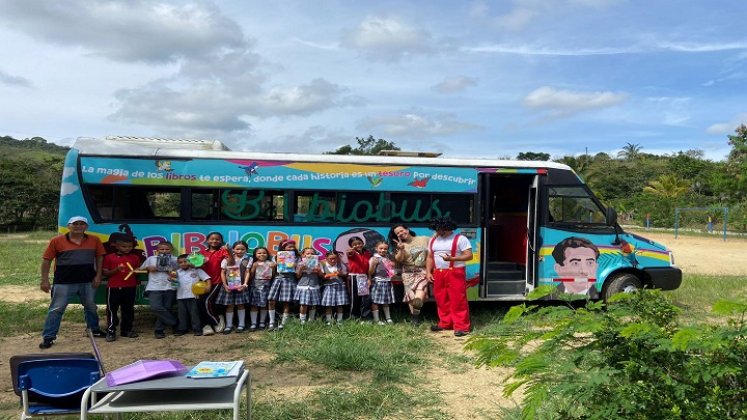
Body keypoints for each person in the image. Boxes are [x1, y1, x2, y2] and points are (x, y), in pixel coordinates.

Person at [39, 216, 108, 349]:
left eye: (82, 224)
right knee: (56, 309)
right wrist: (44, 280)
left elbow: (100, 257)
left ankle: (93, 329)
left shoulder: (94, 240)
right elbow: (47, 260)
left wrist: (98, 276)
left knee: (91, 306)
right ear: (69, 226)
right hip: (63, 281)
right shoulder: (56, 241)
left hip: (87, 280)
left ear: (86, 227)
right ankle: (48, 336)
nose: (78, 226)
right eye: (75, 224)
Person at [426, 217, 473, 337]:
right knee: (441, 299)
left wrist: (453, 259)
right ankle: (445, 323)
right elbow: (430, 257)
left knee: (458, 299)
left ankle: (462, 327)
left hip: (455, 272)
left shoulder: (460, 239)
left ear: (449, 228)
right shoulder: (433, 240)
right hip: (439, 272)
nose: (439, 232)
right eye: (437, 229)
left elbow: (469, 256)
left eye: (442, 230)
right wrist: (428, 272)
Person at [101, 234, 143, 342]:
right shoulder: (109, 257)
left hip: (130, 286)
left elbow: (137, 271)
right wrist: (117, 270)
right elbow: (106, 273)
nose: (127, 249)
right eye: (124, 247)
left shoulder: (135, 257)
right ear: (117, 246)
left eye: (130, 246)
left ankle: (126, 330)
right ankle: (111, 330)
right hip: (114, 287)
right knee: (111, 309)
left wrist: (137, 271)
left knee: (128, 309)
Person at [389, 224, 429, 325]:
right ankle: (415, 318)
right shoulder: (400, 245)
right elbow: (399, 259)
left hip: (422, 272)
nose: (401, 234)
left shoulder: (424, 239)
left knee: (419, 296)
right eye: (398, 233)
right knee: (411, 297)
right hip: (407, 273)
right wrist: (401, 249)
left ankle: (415, 316)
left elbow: (436, 243)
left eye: (402, 231)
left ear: (407, 229)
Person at [141, 240, 179, 339]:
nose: (164, 251)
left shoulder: (175, 259)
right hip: (154, 287)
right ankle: (175, 323)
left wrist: (171, 270)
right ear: (157, 250)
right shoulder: (151, 259)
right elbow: (141, 269)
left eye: (167, 249)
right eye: (162, 249)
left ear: (171, 250)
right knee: (155, 307)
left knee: (167, 308)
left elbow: (181, 271)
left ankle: (159, 330)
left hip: (169, 286)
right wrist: (149, 268)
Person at [216, 241, 252, 334]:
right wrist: (225, 285)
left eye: (242, 249)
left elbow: (247, 272)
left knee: (241, 305)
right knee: (230, 306)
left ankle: (241, 324)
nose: (240, 251)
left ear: (246, 250)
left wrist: (245, 284)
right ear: (233, 249)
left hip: (241, 286)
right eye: (237, 249)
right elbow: (222, 272)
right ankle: (228, 325)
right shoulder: (226, 259)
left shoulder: (248, 259)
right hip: (229, 286)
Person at [199, 231, 231, 335]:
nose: (214, 241)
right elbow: (196, 266)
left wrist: (229, 251)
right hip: (202, 282)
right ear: (207, 240)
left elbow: (231, 263)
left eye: (217, 239)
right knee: (199, 303)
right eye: (212, 239)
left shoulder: (222, 251)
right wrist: (197, 262)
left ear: (221, 241)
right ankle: (206, 325)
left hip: (217, 281)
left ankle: (217, 320)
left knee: (206, 302)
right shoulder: (202, 252)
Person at [174, 254, 211, 336]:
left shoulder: (196, 270)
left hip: (193, 296)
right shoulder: (177, 272)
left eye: (185, 261)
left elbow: (207, 278)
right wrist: (171, 279)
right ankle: (182, 329)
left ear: (190, 261)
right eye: (180, 262)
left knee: (194, 313)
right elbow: (174, 284)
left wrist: (208, 286)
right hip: (180, 296)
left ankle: (197, 329)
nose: (183, 264)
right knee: (182, 314)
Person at [268, 239, 299, 330]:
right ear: (283, 247)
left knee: (286, 302)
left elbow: (297, 272)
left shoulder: (297, 257)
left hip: (289, 279)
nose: (291, 248)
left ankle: (283, 323)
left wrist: (295, 265)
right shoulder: (276, 256)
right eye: (289, 247)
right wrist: (274, 265)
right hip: (277, 279)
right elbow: (272, 272)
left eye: (293, 247)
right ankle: (271, 322)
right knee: (271, 300)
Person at [368, 241, 396, 325]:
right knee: (375, 301)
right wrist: (373, 264)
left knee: (386, 301)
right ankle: (376, 320)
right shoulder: (374, 258)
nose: (383, 250)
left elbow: (391, 270)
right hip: (377, 282)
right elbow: (370, 272)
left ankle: (388, 318)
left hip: (387, 282)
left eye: (385, 249)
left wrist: (392, 265)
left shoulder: (388, 258)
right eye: (381, 248)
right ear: (376, 248)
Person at [346, 236, 372, 321]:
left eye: (359, 243)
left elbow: (369, 267)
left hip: (364, 277)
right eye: (354, 244)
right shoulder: (352, 253)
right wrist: (350, 251)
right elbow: (349, 253)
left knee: (365, 299)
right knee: (355, 299)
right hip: (354, 277)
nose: (357, 245)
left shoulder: (367, 253)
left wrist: (369, 278)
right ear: (351, 246)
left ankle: (365, 317)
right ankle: (354, 317)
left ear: (363, 243)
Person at [248, 247, 274, 331]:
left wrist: (273, 268)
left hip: (266, 286)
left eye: (264, 253)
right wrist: (254, 267)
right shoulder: (254, 263)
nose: (262, 254)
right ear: (255, 255)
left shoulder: (270, 263)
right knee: (254, 305)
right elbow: (251, 276)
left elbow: (273, 276)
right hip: (255, 286)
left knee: (264, 305)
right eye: (259, 253)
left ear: (267, 254)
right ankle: (253, 323)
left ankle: (262, 322)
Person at [294, 247, 322, 324]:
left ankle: (311, 320)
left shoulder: (318, 263)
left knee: (313, 303)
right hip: (303, 286)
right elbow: (297, 276)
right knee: (303, 304)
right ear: (303, 255)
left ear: (315, 255)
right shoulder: (300, 264)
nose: (310, 255)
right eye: (308, 253)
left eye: (312, 254)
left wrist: (319, 271)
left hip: (314, 285)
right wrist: (301, 269)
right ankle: (302, 320)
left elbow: (321, 276)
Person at [320, 251, 349, 325]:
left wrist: (341, 274)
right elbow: (321, 276)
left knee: (340, 304)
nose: (333, 260)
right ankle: (329, 320)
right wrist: (325, 276)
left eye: (335, 258)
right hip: (328, 286)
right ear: (326, 258)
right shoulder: (322, 264)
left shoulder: (340, 264)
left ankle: (339, 320)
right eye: (331, 259)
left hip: (340, 286)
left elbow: (345, 274)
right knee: (328, 305)